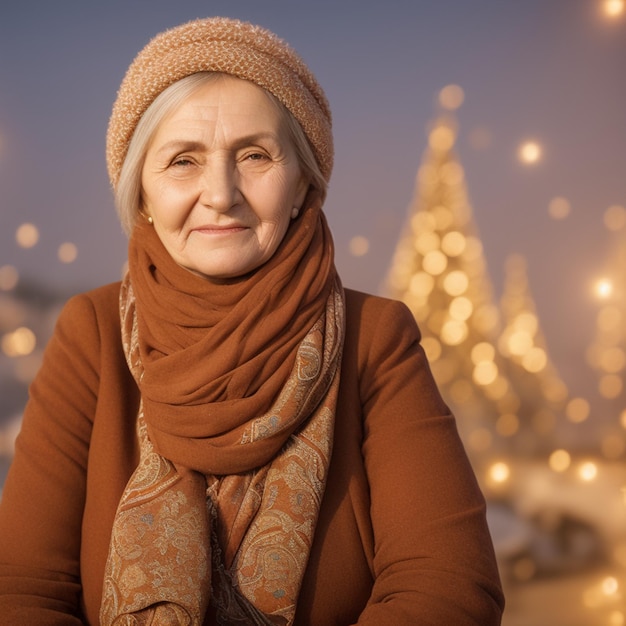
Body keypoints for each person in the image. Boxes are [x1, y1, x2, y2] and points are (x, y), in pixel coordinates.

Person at [0, 16, 504, 625]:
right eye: (183, 160)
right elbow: (22, 590)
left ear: (301, 186)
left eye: (256, 156)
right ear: (142, 197)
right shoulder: (93, 334)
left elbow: (448, 587)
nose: (220, 192)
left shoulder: (376, 338)